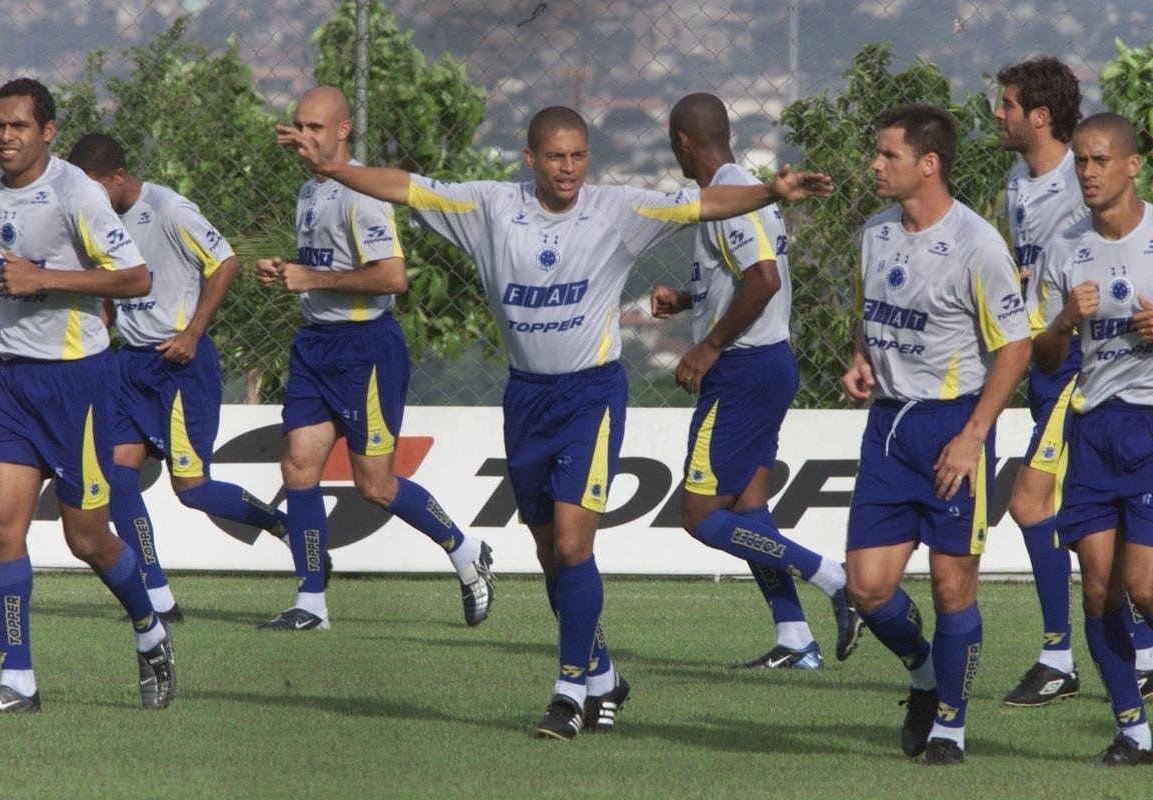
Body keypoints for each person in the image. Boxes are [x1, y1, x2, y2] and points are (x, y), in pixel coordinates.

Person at [277, 102, 832, 738]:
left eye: (579, 157)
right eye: (556, 157)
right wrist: (333, 166)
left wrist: (770, 190)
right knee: (549, 554)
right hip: (526, 398)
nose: (569, 169)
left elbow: (703, 206)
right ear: (531, 161)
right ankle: (601, 675)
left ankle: (569, 693)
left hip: (590, 396)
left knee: (573, 544)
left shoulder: (617, 207)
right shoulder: (488, 205)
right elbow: (403, 187)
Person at [0, 78, 175, 712]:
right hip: (11, 380)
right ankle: (18, 679)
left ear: (47, 131)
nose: (6, 137)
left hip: (77, 382)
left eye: (19, 126)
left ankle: (149, 628)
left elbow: (136, 277)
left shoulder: (77, 192)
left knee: (88, 540)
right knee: (0, 527)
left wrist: (44, 279)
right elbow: (3, 266)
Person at [256, 87, 495, 631]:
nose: (304, 136)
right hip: (316, 343)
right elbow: (329, 264)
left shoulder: (360, 194)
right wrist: (289, 269)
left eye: (316, 127)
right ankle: (312, 603)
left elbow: (392, 277)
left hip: (364, 349)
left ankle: (465, 550)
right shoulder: (309, 192)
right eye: (298, 125)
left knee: (376, 484)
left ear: (342, 132)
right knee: (298, 467)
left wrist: (313, 278)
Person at [841, 104, 1031, 765]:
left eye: (887, 155)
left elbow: (1015, 346)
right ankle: (924, 672)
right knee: (867, 587)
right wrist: (860, 358)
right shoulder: (874, 234)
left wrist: (975, 435)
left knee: (953, 587)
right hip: (888, 428)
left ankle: (950, 722)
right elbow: (869, 316)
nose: (875, 164)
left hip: (955, 425)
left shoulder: (978, 246)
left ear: (928, 165)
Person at [650, 92, 861, 669]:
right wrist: (691, 300)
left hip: (742, 369)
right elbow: (748, 276)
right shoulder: (741, 188)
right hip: (768, 364)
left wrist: (708, 345)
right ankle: (795, 640)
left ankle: (834, 578)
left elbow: (763, 280)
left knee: (700, 517)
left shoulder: (729, 195)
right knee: (747, 506)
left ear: (683, 142)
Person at [66, 132, 302, 623]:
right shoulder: (98, 222)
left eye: (95, 187)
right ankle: (158, 597)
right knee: (118, 479)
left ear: (119, 177)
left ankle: (284, 526)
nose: (89, 199)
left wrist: (194, 332)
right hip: (127, 365)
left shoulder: (169, 209)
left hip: (179, 364)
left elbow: (226, 262)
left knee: (192, 489)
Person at [1032, 112, 1153, 766]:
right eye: (1080, 161)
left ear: (1133, 165)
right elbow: (1046, 357)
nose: (1088, 172)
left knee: (1146, 586)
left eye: (1101, 160)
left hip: (1152, 424)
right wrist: (1063, 321)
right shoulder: (1065, 247)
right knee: (1099, 589)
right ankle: (1134, 730)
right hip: (1094, 427)